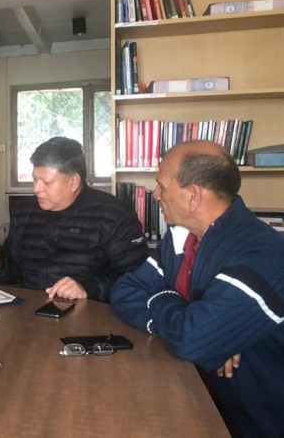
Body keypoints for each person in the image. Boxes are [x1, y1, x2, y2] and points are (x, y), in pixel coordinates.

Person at [111, 141, 284, 438]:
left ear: (193, 196)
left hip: (260, 421)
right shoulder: (180, 236)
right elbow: (125, 291)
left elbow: (193, 339)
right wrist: (206, 335)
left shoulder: (265, 253)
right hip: (200, 397)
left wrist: (172, 308)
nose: (156, 195)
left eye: (162, 186)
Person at [0, 137, 148, 302]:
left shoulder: (115, 215)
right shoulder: (24, 212)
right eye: (34, 179)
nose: (36, 189)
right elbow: (15, 273)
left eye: (46, 182)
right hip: (30, 312)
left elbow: (138, 279)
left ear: (74, 182)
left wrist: (88, 288)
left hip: (90, 316)